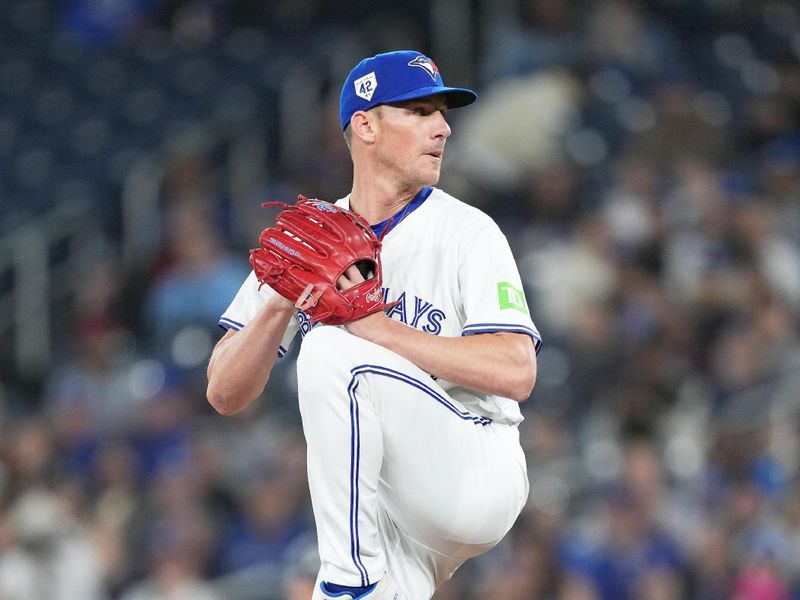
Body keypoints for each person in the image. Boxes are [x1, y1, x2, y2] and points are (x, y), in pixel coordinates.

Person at [206, 50, 541, 599]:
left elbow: (516, 371)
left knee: (328, 352)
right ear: (366, 124)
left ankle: (349, 581)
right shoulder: (310, 242)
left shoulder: (466, 231)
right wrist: (278, 303)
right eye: (420, 111)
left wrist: (376, 328)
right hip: (384, 506)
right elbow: (223, 392)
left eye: (441, 113)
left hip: (473, 464)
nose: (444, 127)